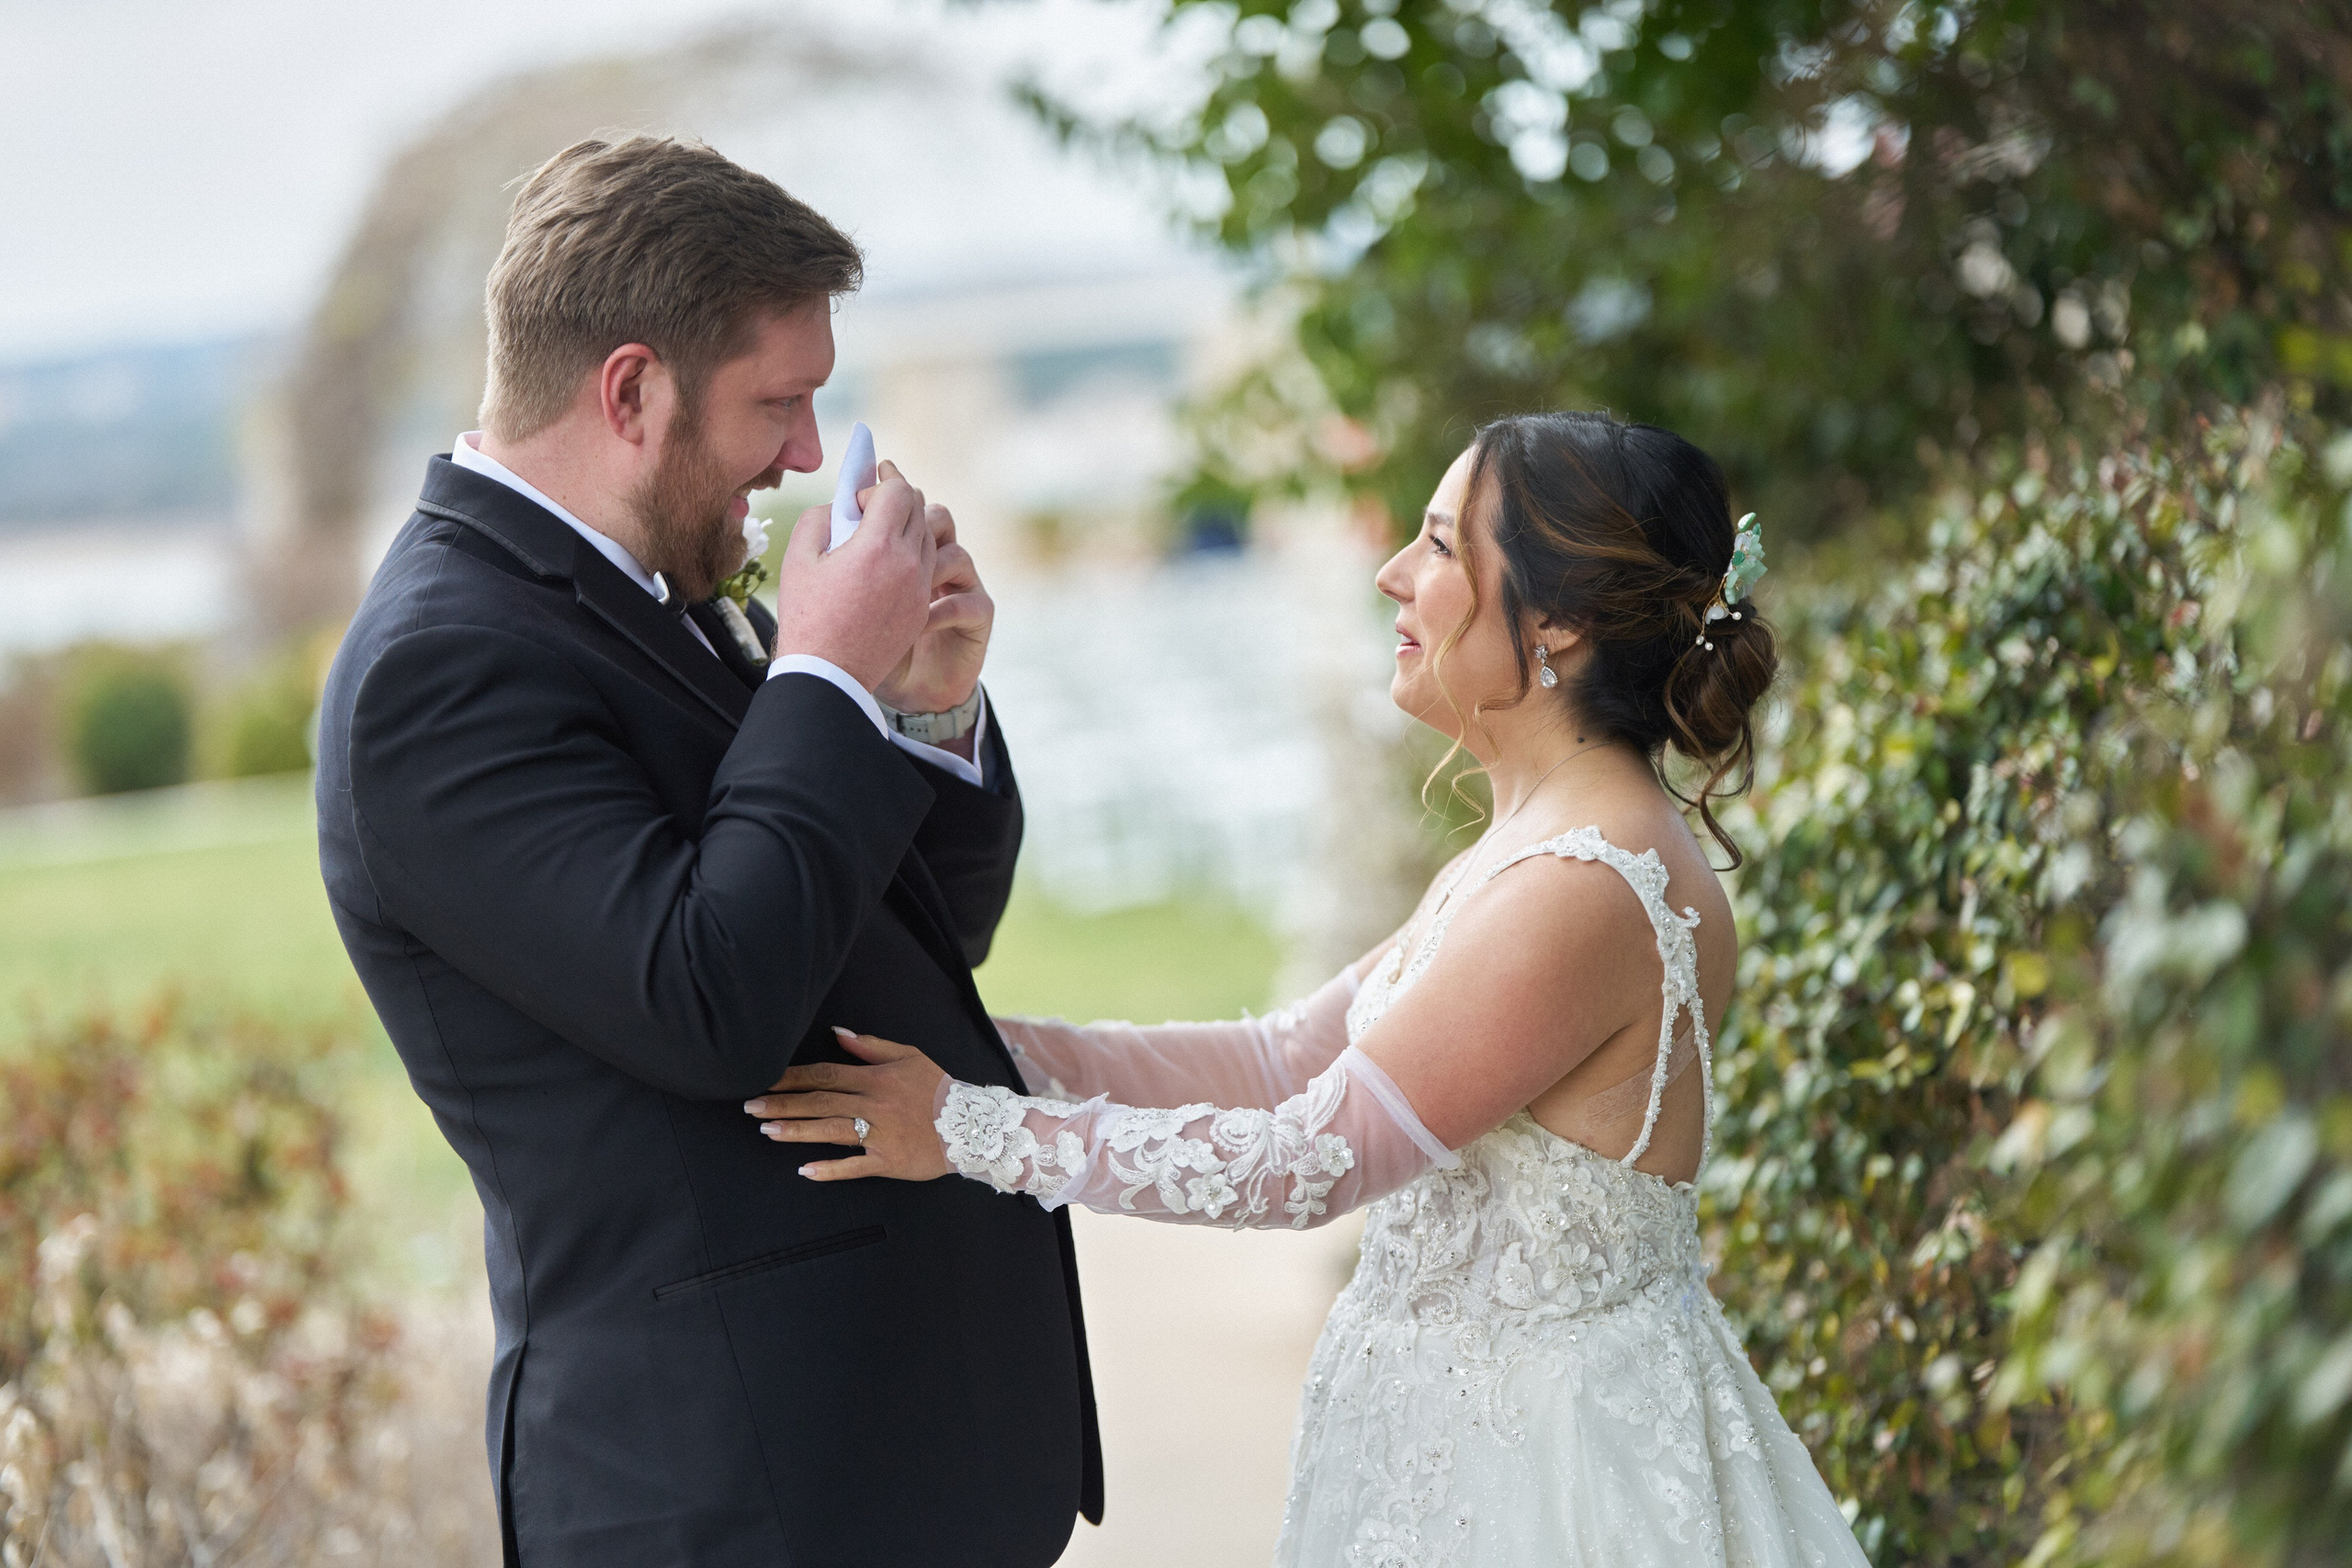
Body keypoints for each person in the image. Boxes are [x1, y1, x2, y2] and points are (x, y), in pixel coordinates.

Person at [746, 411, 1873, 1565]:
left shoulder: (1590, 887)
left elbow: (1309, 1157)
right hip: (1460, 1448)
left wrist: (968, 1126)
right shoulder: (1536, 847)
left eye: (1438, 547)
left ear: (1561, 621)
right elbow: (1284, 1058)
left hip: (1550, 1476)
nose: (1393, 573)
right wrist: (972, 1042)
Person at [314, 135, 1099, 1567]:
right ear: (632, 390)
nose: (807, 453)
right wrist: (825, 683)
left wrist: (919, 702)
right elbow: (711, 998)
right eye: (780, 403)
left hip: (894, 1462)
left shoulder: (659, 586)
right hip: (730, 1497)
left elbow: (915, 945)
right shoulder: (438, 670)